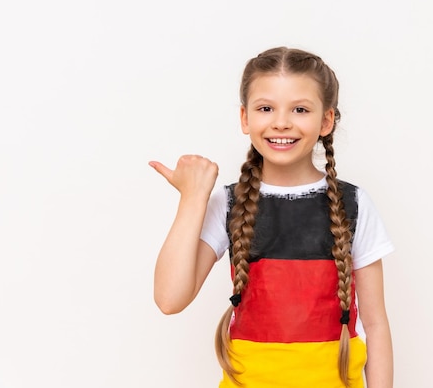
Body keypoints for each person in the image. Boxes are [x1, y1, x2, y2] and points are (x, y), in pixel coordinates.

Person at [149, 46, 394, 388]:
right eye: (266, 108)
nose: (281, 122)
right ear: (245, 118)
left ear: (326, 120)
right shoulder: (229, 203)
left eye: (300, 109)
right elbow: (169, 299)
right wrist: (193, 199)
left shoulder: (354, 203)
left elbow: (376, 323)